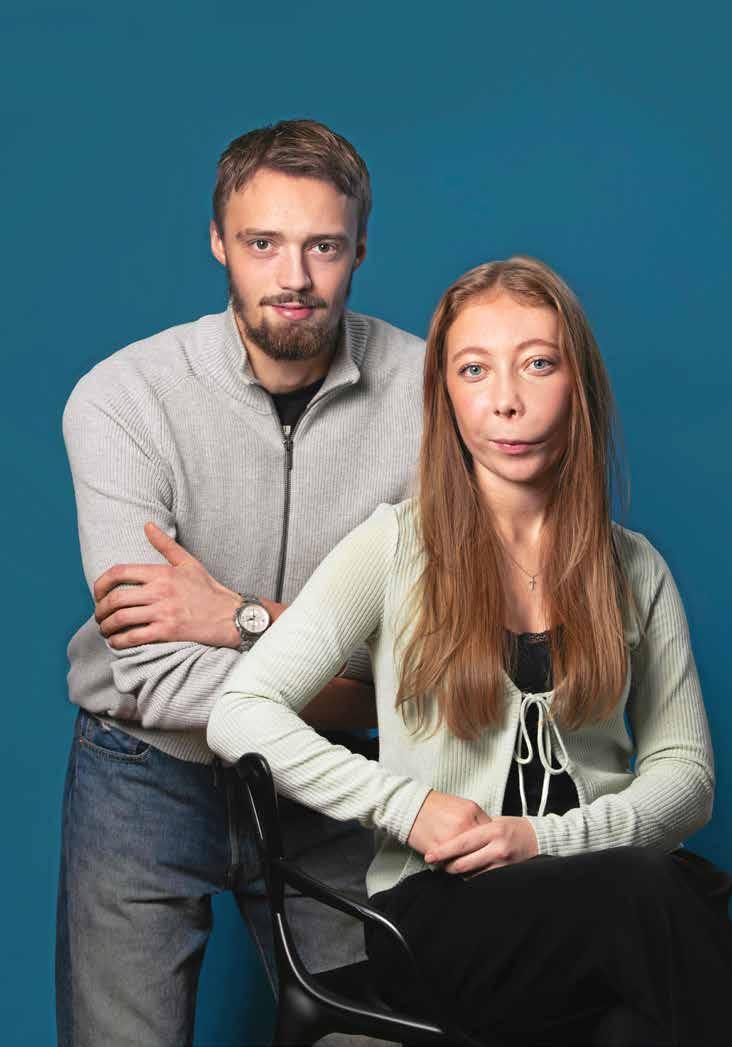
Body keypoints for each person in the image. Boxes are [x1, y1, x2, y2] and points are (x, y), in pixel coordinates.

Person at [206, 256, 732, 1046]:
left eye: (537, 363)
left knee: (638, 1020)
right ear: (446, 395)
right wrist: (408, 806)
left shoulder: (635, 568)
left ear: (578, 384)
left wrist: (542, 839)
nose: (506, 400)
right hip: (437, 921)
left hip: (605, 902)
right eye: (474, 369)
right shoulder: (393, 547)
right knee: (646, 897)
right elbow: (239, 711)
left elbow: (687, 779)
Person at [57, 119, 423, 1047]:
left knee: (379, 1035)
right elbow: (151, 672)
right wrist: (357, 676)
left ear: (360, 249)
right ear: (219, 241)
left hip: (334, 773)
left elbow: (434, 665)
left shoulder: (431, 396)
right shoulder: (123, 398)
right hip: (146, 769)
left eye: (322, 246)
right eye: (263, 243)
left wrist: (239, 617)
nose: (293, 277)